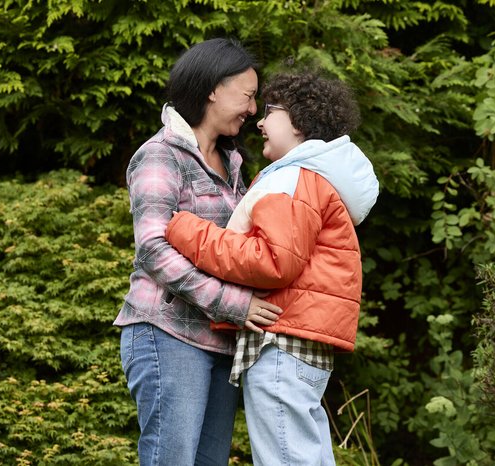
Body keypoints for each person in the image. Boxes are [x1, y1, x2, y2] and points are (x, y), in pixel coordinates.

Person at [165, 71, 380, 465]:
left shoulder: (293, 179)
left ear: (298, 120)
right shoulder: (312, 178)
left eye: (270, 111)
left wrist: (186, 229)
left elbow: (271, 261)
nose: (259, 121)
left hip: (281, 343)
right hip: (300, 343)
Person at [114, 38, 284, 466]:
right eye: (247, 96)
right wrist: (232, 303)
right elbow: (153, 249)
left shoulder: (233, 164)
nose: (251, 110)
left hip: (220, 341)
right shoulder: (160, 155)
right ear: (213, 89)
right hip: (167, 333)